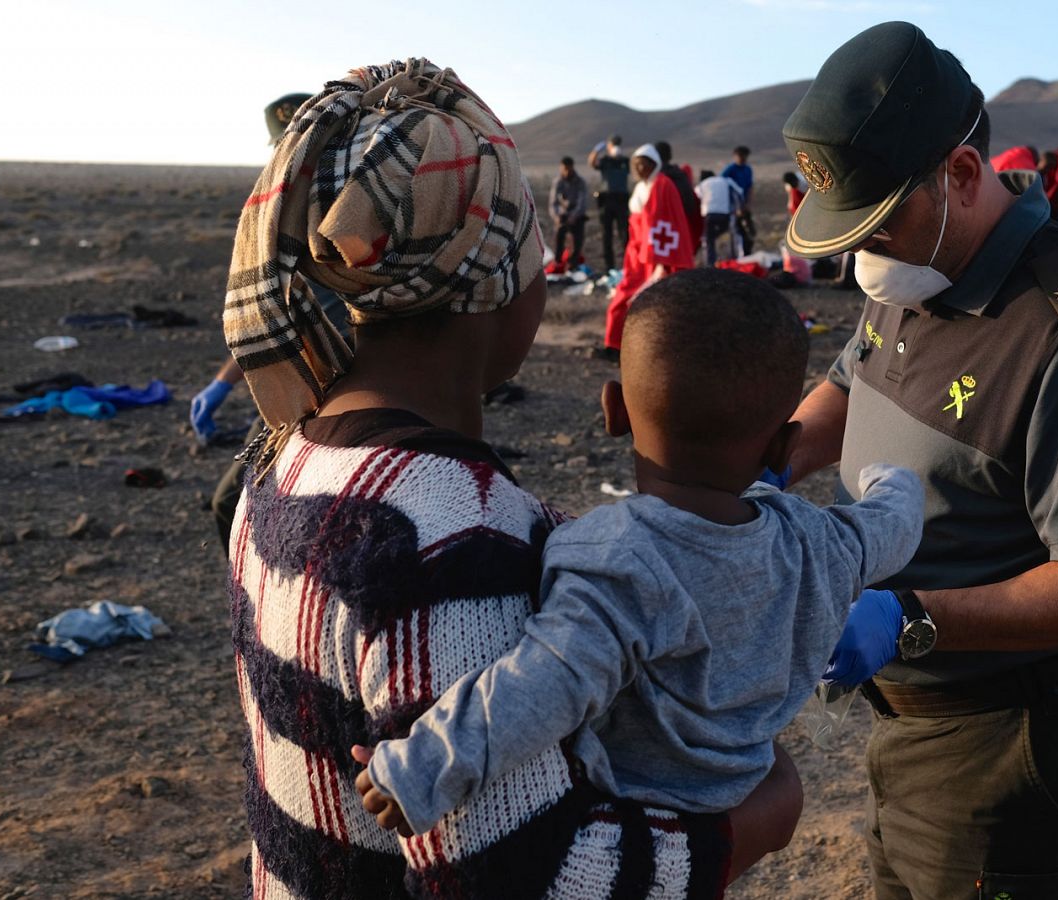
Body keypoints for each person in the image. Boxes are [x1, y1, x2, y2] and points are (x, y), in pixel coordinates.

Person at [222, 59, 800, 899]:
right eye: (529, 246)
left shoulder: (282, 464)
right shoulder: (451, 535)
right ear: (490, 284)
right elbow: (525, 876)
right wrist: (756, 818)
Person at [779, 22, 1058, 898]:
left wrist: (909, 619)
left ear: (960, 175)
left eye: (877, 225)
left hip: (1015, 749)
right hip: (909, 734)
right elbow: (851, 382)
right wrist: (772, 457)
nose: (859, 254)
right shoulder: (915, 265)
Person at [353, 268, 924, 846]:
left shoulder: (617, 556)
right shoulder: (814, 540)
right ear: (783, 446)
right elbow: (892, 527)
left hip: (631, 817)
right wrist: (890, 478)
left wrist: (423, 768)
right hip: (739, 789)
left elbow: (543, 685)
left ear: (615, 411)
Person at [189, 91, 352, 552]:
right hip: (302, 382)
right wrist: (221, 382)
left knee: (243, 504)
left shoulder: (348, 206)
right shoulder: (284, 218)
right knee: (238, 504)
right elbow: (265, 314)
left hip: (345, 385)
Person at [594, 144, 695, 362]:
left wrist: (657, 260)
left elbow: (662, 222)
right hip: (636, 254)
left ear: (654, 164)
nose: (639, 168)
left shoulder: (662, 185)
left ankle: (635, 349)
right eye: (636, 164)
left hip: (651, 256)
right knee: (623, 297)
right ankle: (615, 345)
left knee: (641, 301)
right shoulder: (643, 186)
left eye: (643, 164)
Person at [589, 133, 632, 271]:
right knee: (606, 234)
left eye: (617, 144)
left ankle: (628, 265)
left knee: (624, 233)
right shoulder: (605, 160)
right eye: (613, 144)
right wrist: (596, 151)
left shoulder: (625, 161)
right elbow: (592, 164)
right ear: (608, 146)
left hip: (621, 200)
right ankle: (609, 267)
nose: (616, 147)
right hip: (606, 201)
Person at [655, 140, 704, 254]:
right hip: (679, 225)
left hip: (659, 228)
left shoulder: (655, 178)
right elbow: (690, 204)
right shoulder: (680, 175)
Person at [697, 168, 746, 264]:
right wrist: (740, 208)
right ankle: (734, 261)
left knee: (709, 239)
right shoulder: (726, 180)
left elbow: (696, 196)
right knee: (730, 235)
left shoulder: (702, 184)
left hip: (709, 215)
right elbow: (739, 191)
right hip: (724, 215)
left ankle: (710, 264)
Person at [549, 155, 588, 270]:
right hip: (562, 215)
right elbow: (553, 203)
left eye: (568, 169)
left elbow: (582, 202)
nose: (566, 172)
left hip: (577, 215)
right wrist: (556, 216)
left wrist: (574, 216)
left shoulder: (580, 182)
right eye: (564, 169)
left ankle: (573, 262)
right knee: (559, 235)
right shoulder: (558, 182)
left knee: (578, 240)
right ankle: (558, 261)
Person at [722, 145, 756, 253]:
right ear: (735, 156)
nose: (742, 158)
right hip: (734, 207)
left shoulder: (748, 169)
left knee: (749, 232)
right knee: (735, 232)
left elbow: (750, 187)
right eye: (740, 156)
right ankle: (735, 256)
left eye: (745, 156)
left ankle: (747, 254)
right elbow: (721, 184)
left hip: (744, 205)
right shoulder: (730, 169)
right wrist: (734, 207)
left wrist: (749, 204)